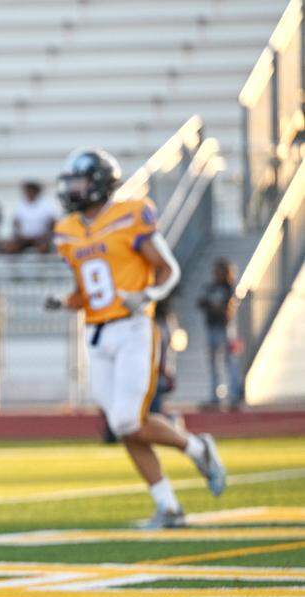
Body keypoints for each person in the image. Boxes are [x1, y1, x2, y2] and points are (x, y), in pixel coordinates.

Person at [46, 149, 227, 528]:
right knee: (121, 423)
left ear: (99, 182)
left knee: (129, 419)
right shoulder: (68, 231)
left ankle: (197, 449)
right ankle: (169, 506)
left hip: (133, 328)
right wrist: (64, 302)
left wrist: (147, 296)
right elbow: (88, 291)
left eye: (79, 180)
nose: (72, 189)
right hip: (96, 333)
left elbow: (168, 270)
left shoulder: (130, 214)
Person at [197, 259, 243, 409]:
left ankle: (235, 394)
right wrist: (214, 306)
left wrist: (215, 306)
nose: (216, 274)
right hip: (211, 327)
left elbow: (225, 306)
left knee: (230, 362)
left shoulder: (229, 288)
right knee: (213, 364)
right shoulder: (210, 287)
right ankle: (215, 395)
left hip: (225, 329)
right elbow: (201, 303)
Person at [5, 181, 57, 253]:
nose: (28, 193)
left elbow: (52, 222)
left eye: (30, 190)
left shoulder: (45, 204)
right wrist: (19, 234)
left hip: (40, 238)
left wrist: (45, 235)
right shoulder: (21, 204)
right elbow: (16, 222)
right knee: (10, 247)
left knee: (43, 247)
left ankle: (41, 264)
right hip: (23, 238)